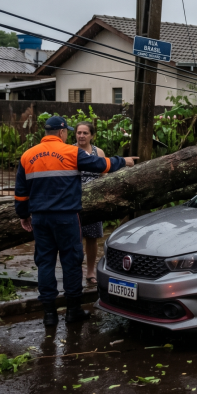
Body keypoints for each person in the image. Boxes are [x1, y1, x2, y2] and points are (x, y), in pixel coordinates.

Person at [15, 116, 138, 327]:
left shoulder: (28, 155)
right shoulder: (71, 152)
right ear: (62, 132)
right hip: (66, 218)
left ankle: (49, 315)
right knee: (71, 262)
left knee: (45, 263)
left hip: (40, 219)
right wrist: (123, 161)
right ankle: (73, 312)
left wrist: (23, 215)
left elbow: (20, 192)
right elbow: (101, 164)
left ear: (46, 132)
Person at [74, 121, 106, 286]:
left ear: (92, 135)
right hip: (74, 202)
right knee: (75, 239)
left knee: (92, 239)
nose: (81, 136)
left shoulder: (98, 152)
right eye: (79, 132)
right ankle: (75, 272)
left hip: (94, 203)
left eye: (85, 133)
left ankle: (90, 272)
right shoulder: (70, 151)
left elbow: (103, 177)